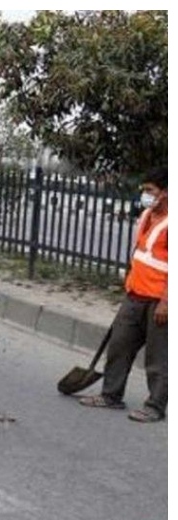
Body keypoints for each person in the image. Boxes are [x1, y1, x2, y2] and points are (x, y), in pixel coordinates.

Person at [79, 167, 167, 422]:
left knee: (158, 358)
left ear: (166, 193)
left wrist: (166, 302)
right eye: (144, 190)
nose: (145, 195)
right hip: (135, 294)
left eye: (150, 191)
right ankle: (111, 395)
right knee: (119, 345)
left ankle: (154, 407)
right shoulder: (147, 215)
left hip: (159, 301)